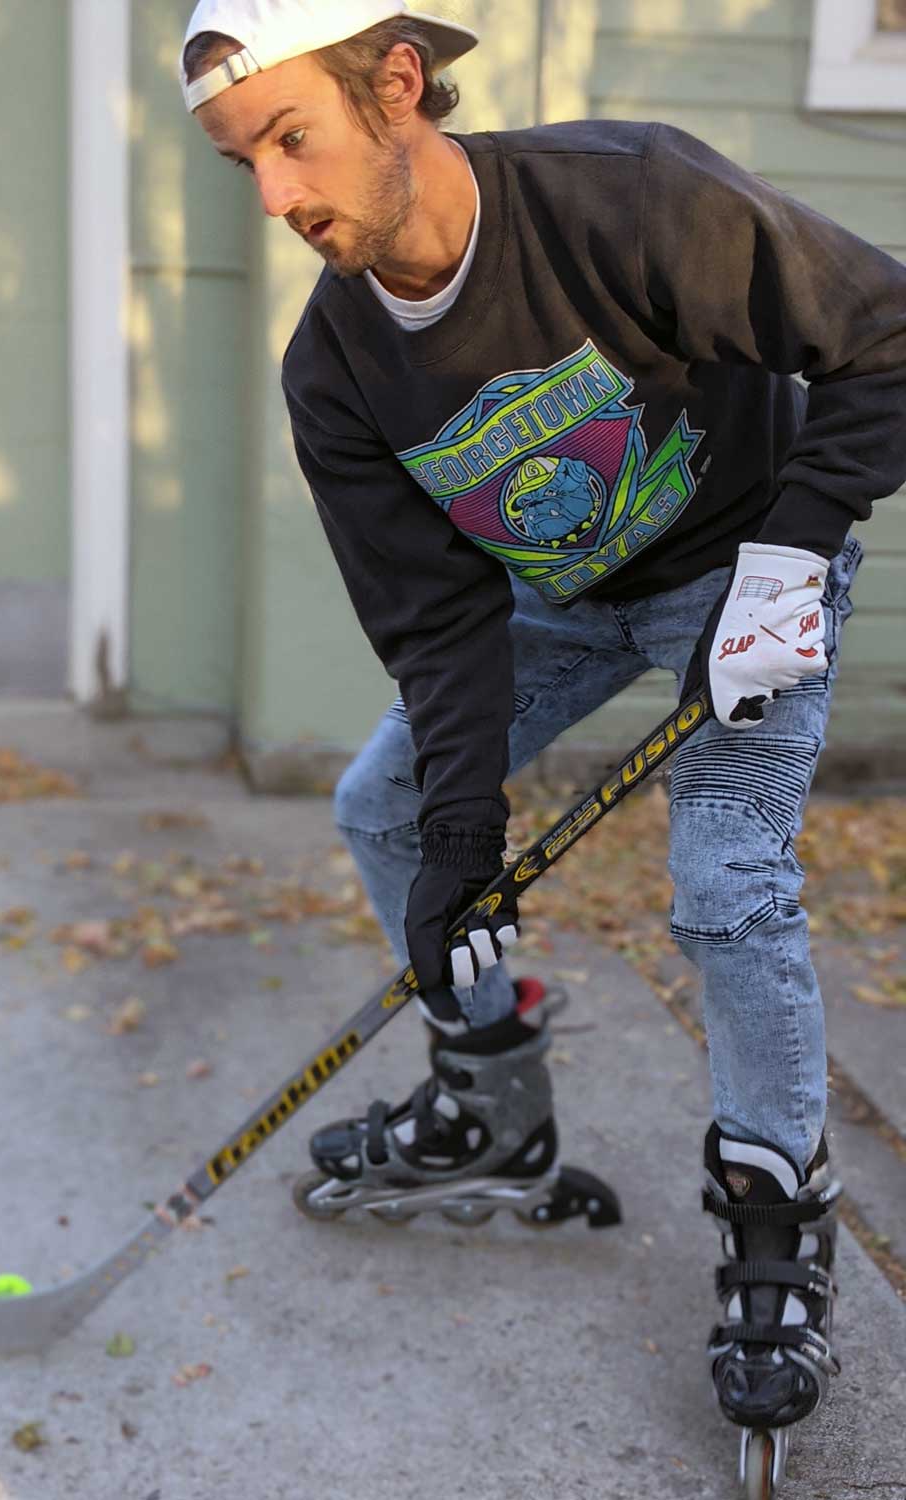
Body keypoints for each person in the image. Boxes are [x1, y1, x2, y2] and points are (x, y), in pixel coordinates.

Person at [179, 0, 906, 1460]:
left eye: (289, 138)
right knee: (384, 810)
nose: (274, 196)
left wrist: (796, 545)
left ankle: (776, 1215)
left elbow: (885, 338)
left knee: (727, 878)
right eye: (240, 162)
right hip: (562, 598)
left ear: (397, 85)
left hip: (750, 571)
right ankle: (490, 1096)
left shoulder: (629, 198)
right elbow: (439, 621)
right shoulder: (334, 373)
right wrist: (462, 838)